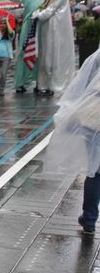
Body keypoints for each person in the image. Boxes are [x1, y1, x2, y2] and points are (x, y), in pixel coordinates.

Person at [47, 48, 100, 233]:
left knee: (95, 171)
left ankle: (90, 218)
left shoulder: (96, 56)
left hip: (94, 119)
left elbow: (81, 84)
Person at [33, 0, 75, 96]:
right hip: (48, 29)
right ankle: (43, 84)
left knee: (49, 58)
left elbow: (49, 11)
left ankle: (47, 85)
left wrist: (38, 14)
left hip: (54, 30)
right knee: (45, 57)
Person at [7, 0, 46, 93]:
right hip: (28, 23)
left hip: (41, 22)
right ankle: (20, 82)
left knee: (41, 52)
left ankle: (40, 83)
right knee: (23, 51)